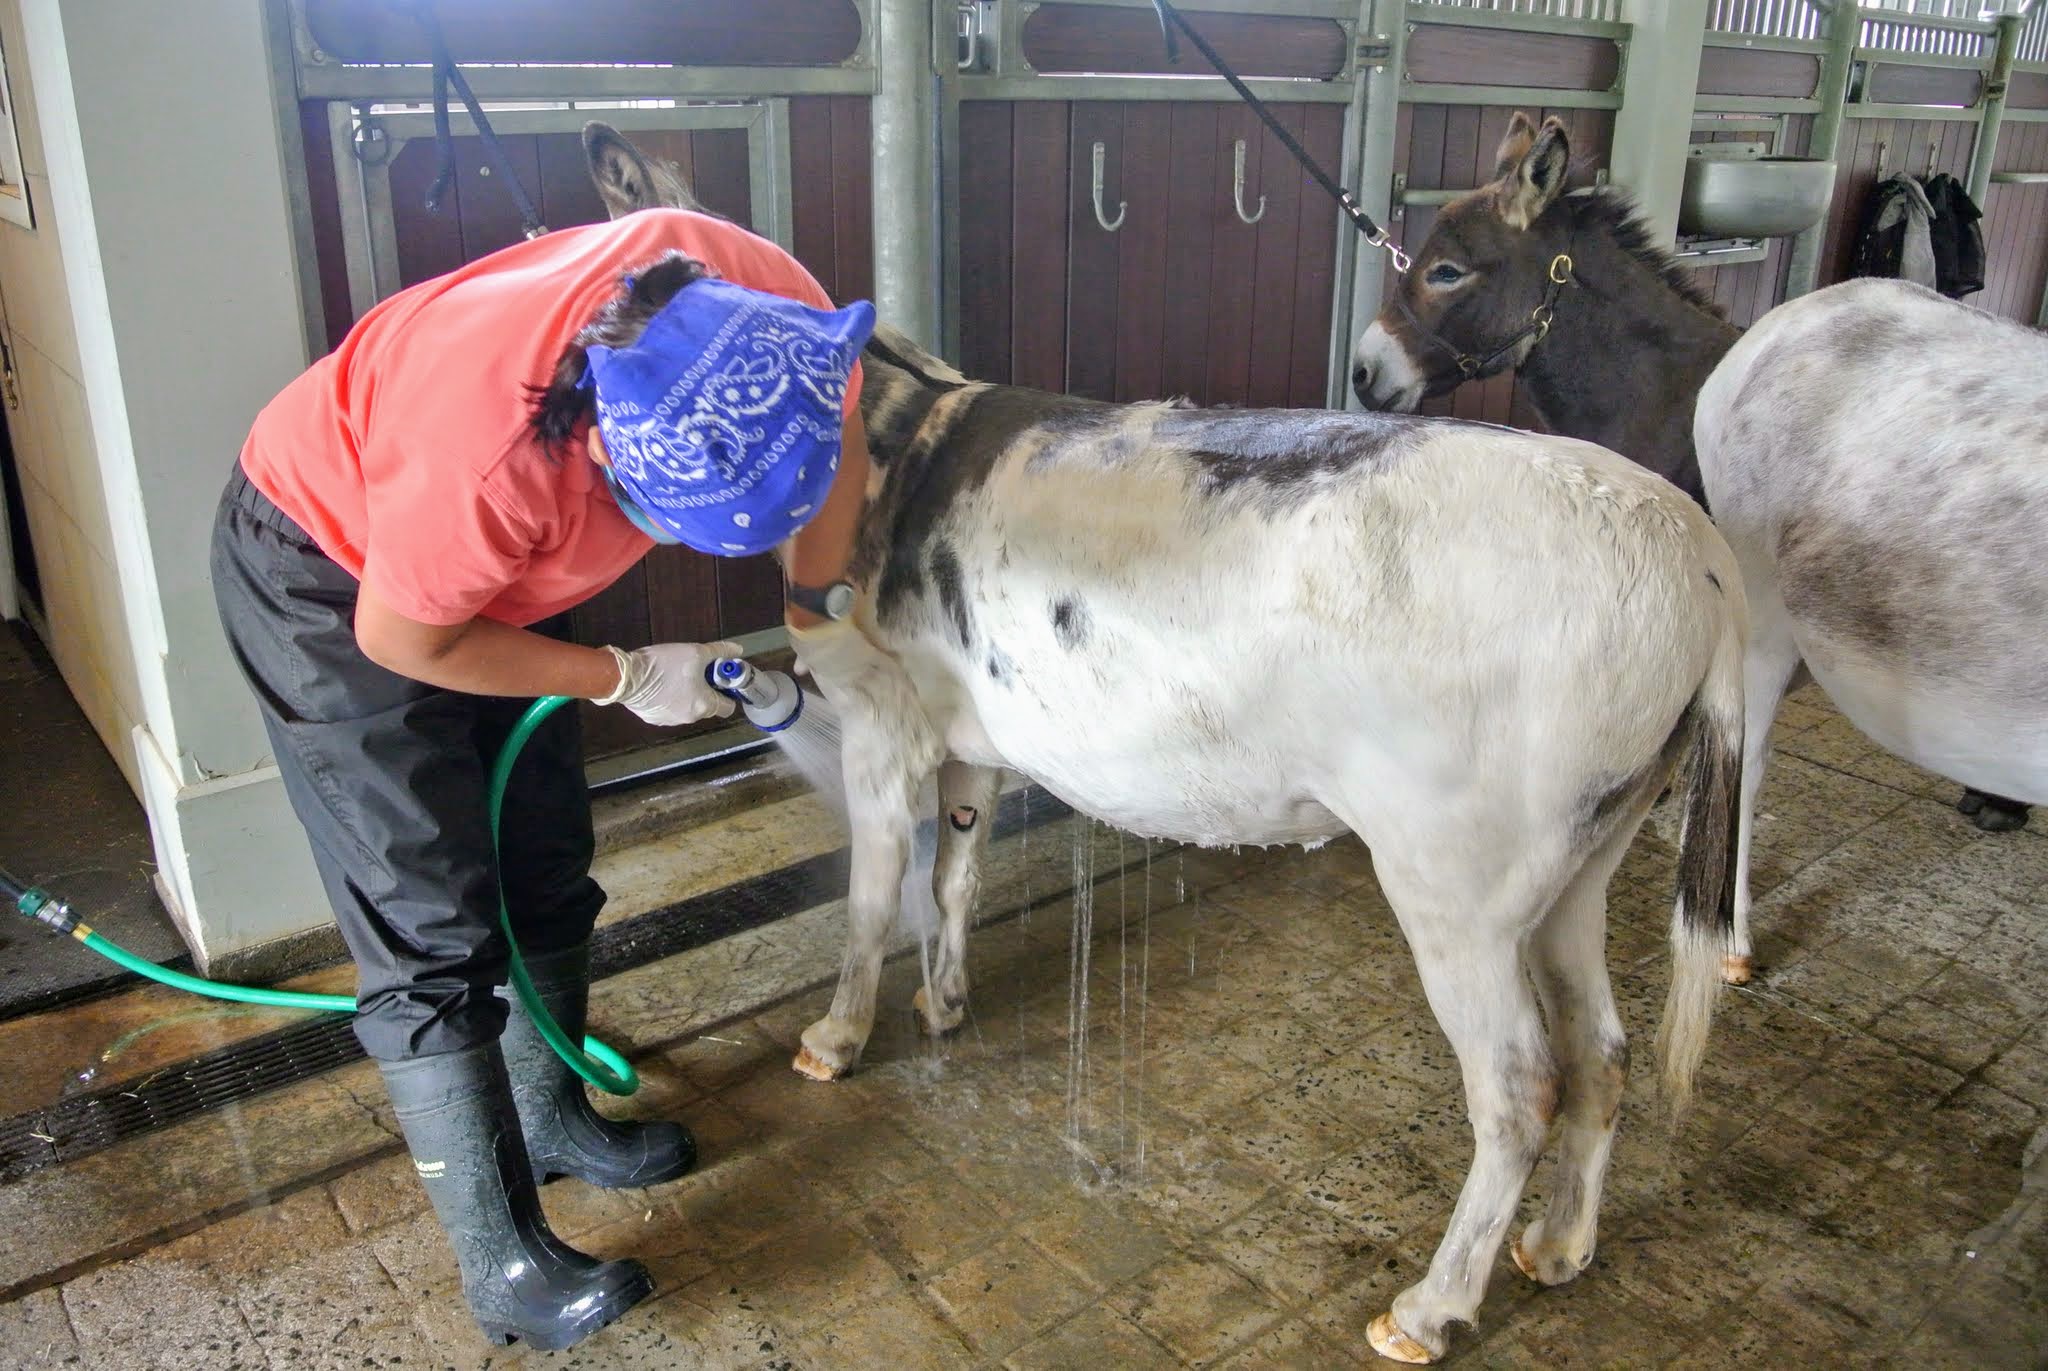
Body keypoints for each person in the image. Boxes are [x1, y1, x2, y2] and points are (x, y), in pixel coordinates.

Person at [211, 207, 877, 1351]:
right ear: (603, 448)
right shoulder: (486, 455)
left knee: (547, 853)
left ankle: (554, 1110)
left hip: (491, 577)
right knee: (429, 914)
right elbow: (408, 641)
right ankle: (501, 1264)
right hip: (338, 580)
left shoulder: (770, 311)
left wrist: (815, 613)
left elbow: (840, 444)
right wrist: (614, 674)